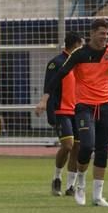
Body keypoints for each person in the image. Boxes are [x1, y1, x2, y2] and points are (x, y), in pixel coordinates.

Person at [36, 19, 108, 207]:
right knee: (86, 146)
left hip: (106, 105)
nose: (105, 37)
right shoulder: (79, 54)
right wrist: (44, 99)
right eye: (102, 33)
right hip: (84, 107)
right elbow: (59, 75)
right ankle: (80, 184)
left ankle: (97, 196)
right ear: (93, 33)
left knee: (103, 150)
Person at [43, 32, 83, 197]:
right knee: (67, 145)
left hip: (79, 111)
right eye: (82, 44)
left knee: (77, 148)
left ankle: (70, 186)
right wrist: (49, 112)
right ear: (75, 45)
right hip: (61, 111)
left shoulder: (80, 64)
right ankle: (57, 178)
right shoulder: (56, 63)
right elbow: (49, 88)